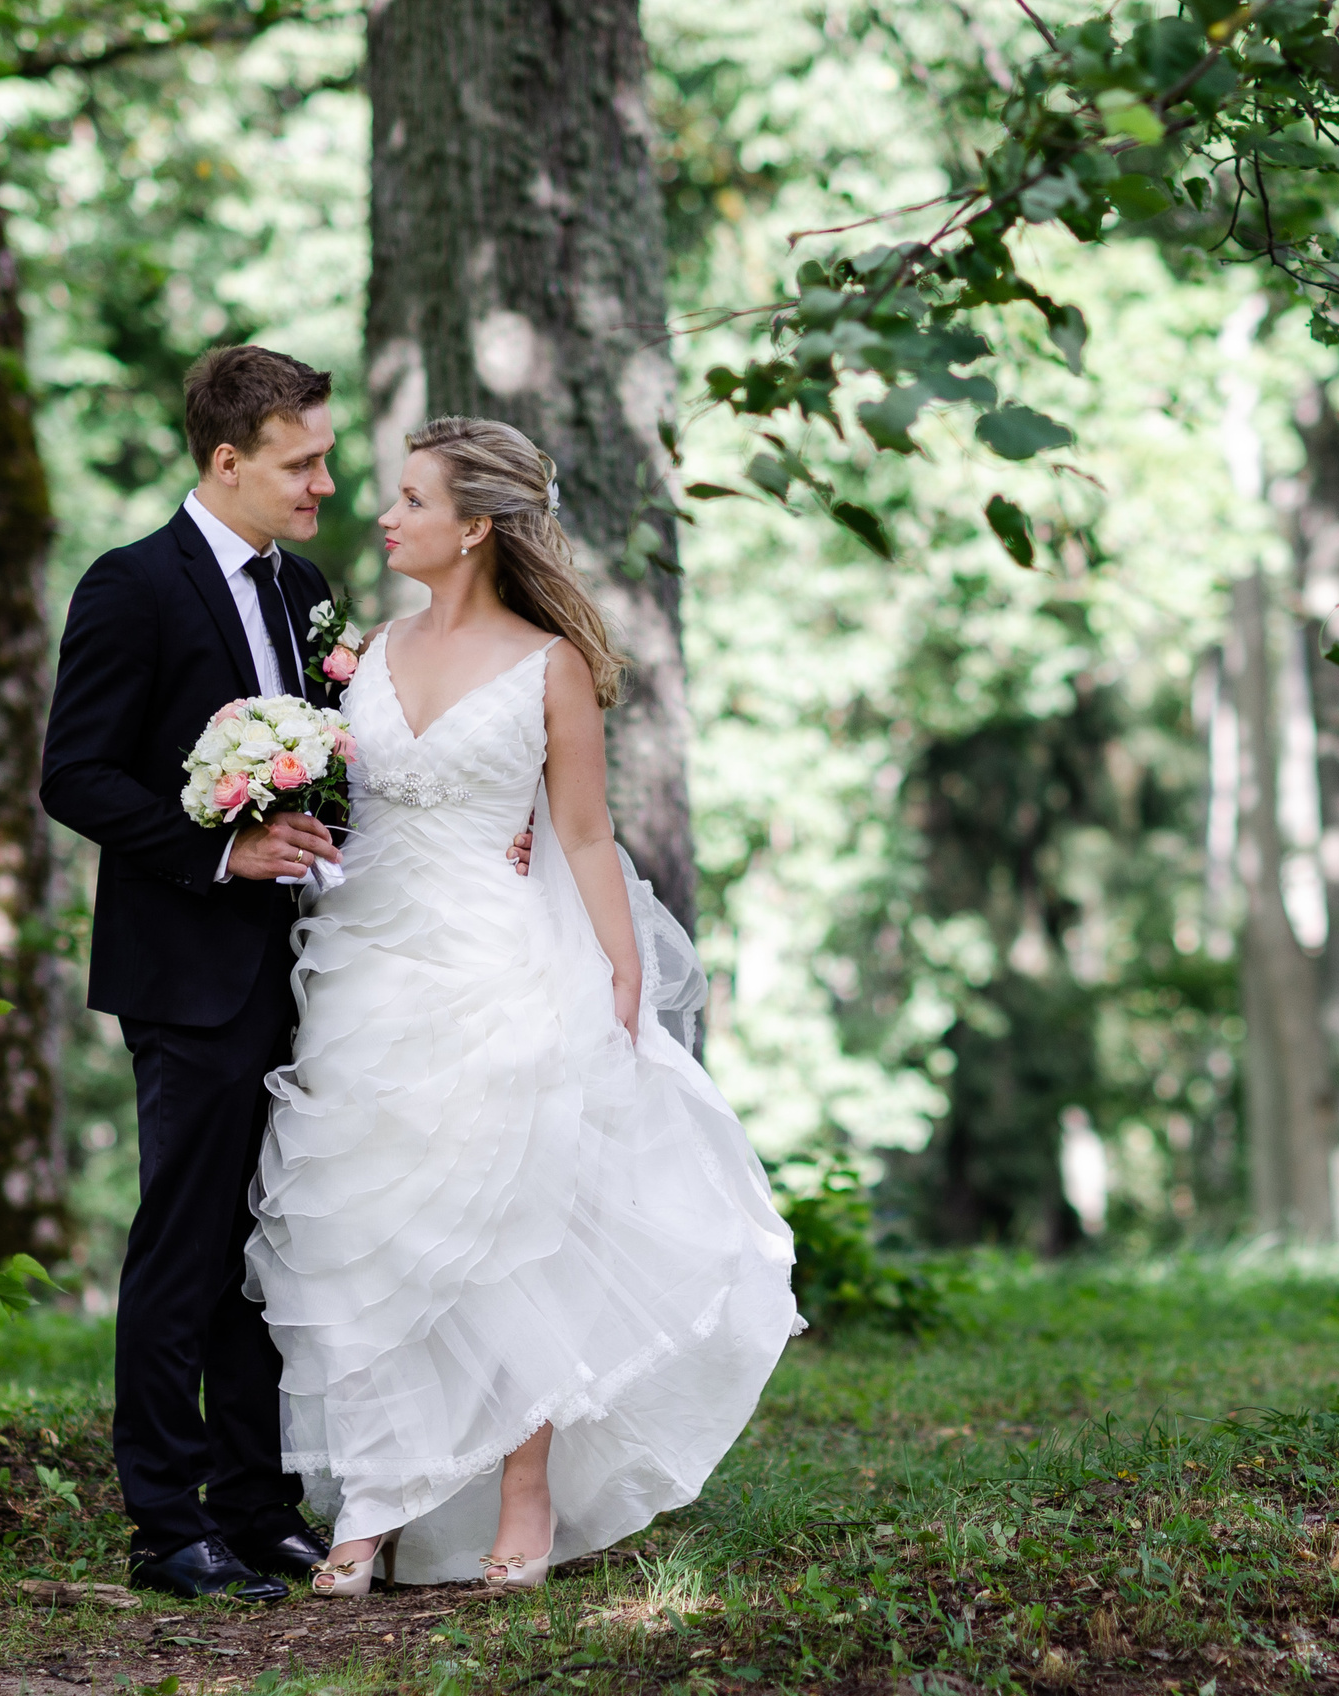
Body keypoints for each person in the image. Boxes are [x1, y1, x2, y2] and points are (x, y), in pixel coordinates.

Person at [243, 416, 801, 1596]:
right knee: (368, 1228)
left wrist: (621, 974)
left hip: (500, 966)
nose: (383, 515)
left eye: (411, 499)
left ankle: (525, 1488)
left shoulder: (550, 665)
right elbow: (346, 807)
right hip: (364, 970)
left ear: (475, 528)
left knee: (507, 1228)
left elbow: (585, 834)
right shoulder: (364, 652)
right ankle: (374, 1497)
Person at [40, 349, 533, 1602]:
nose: (325, 483)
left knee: (274, 1250)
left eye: (324, 459)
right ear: (228, 461)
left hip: (319, 968)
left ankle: (257, 1507)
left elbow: (348, 768)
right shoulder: (132, 585)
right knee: (188, 1244)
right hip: (187, 971)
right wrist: (222, 849)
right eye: (301, 462)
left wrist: (477, 832)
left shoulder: (303, 588)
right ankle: (167, 1522)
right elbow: (76, 775)